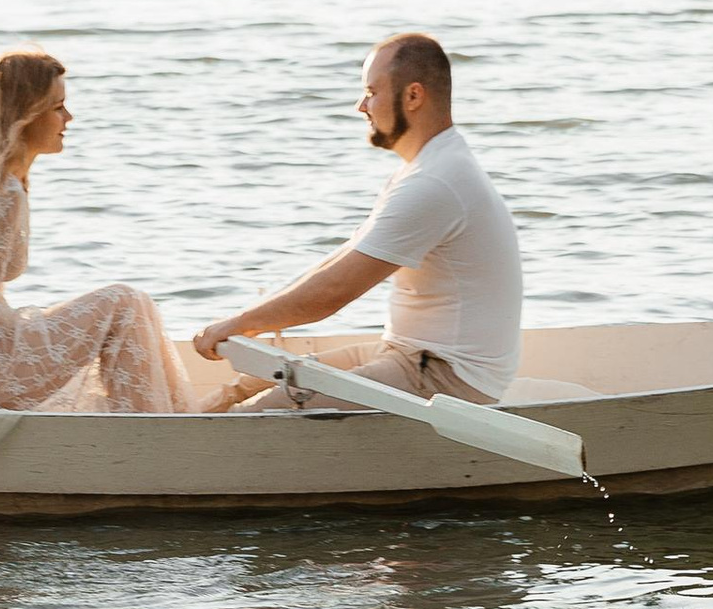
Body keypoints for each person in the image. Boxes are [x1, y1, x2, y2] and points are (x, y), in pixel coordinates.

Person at [191, 33, 522, 406]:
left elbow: (332, 293)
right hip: (407, 353)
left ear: (413, 96)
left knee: (257, 415)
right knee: (241, 389)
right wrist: (246, 319)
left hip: (445, 376)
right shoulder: (426, 168)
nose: (361, 105)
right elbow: (340, 261)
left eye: (371, 91)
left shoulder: (435, 182)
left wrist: (239, 324)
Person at [0, 48, 190, 412]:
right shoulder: (0, 193)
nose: (69, 118)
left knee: (128, 304)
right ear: (26, 115)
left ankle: (162, 418)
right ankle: (154, 427)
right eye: (58, 107)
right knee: (125, 303)